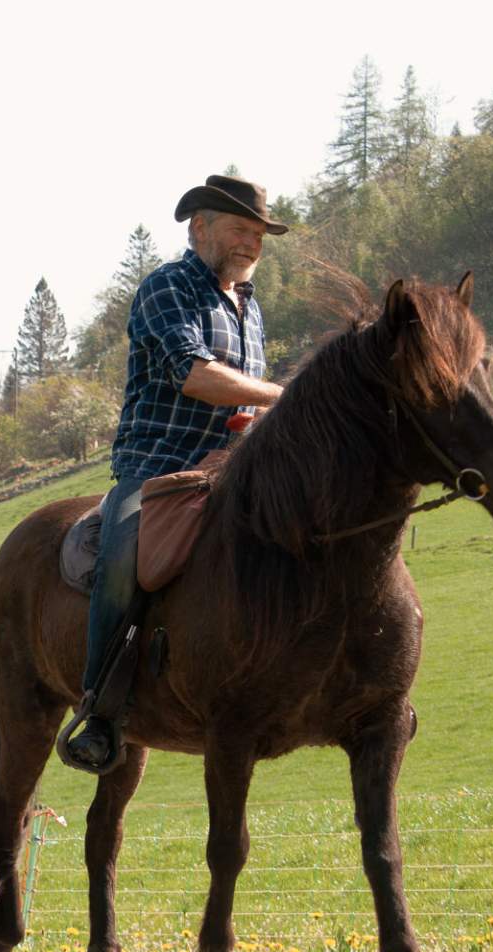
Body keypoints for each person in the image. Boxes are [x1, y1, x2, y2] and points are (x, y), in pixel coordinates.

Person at [59, 174, 291, 775]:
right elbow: (195, 374)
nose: (250, 244)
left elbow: (241, 397)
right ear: (200, 228)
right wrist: (281, 396)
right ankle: (101, 711)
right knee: (121, 561)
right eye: (240, 229)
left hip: (231, 471)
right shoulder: (167, 287)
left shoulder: (250, 305)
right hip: (158, 468)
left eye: (259, 234)